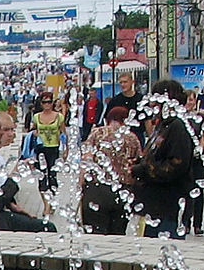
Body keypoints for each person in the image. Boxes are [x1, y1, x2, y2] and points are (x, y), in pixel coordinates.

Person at [131, 79, 195, 239]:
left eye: (156, 98)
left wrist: (145, 169)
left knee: (163, 250)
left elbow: (176, 165)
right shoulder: (163, 125)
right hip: (153, 203)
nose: (152, 103)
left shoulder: (177, 127)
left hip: (167, 204)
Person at [80, 106, 141, 235]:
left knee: (94, 235)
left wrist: (81, 185)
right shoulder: (132, 138)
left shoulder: (97, 133)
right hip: (122, 191)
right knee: (117, 235)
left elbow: (86, 160)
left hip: (97, 189)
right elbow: (137, 165)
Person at [31, 91, 65, 212]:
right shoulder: (36, 117)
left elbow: (63, 134)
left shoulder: (59, 116)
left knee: (52, 176)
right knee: (41, 176)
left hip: (53, 148)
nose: (47, 104)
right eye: (44, 102)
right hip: (41, 148)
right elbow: (33, 130)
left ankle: (52, 200)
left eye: (49, 102)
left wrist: (65, 150)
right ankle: (46, 204)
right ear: (41, 103)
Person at [182, 89, 204, 236]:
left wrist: (203, 143)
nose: (189, 103)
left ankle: (198, 224)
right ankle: (185, 222)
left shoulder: (200, 118)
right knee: (187, 190)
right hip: (186, 158)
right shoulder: (179, 117)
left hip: (198, 158)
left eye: (191, 100)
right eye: (186, 100)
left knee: (199, 191)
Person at [104, 73, 148, 145]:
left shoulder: (141, 99)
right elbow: (107, 119)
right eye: (121, 82)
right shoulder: (115, 101)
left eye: (125, 82)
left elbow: (147, 121)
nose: (123, 85)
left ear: (132, 82)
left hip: (138, 136)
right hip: (120, 137)